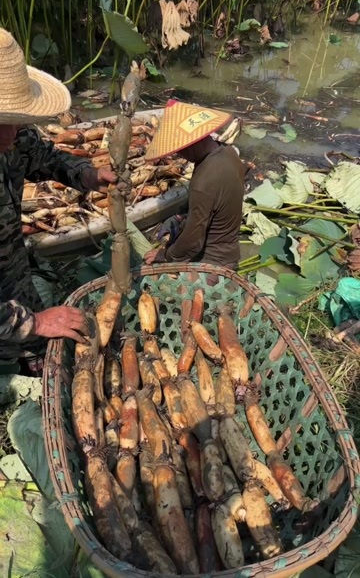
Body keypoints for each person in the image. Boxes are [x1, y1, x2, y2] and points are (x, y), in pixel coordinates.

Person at [0, 29, 121, 374]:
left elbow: (45, 157)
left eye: (14, 121)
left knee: (49, 361)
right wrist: (35, 322)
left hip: (14, 280)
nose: (10, 135)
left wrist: (89, 175)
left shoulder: (15, 135)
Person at [144, 99, 246, 271]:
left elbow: (193, 242)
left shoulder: (204, 181)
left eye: (179, 149)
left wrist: (165, 255)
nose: (179, 154)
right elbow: (213, 202)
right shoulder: (228, 152)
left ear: (188, 145)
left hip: (213, 260)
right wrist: (179, 216)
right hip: (231, 248)